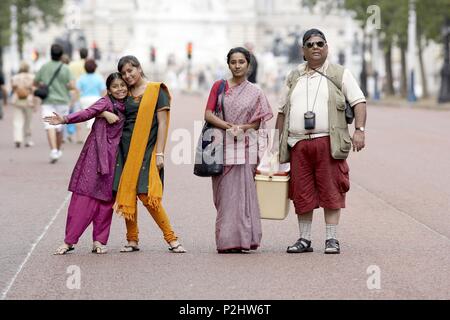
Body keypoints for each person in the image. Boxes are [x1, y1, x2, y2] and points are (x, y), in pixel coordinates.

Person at [275, 28, 367, 254]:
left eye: (320, 43)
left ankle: (331, 239)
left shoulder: (339, 73)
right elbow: (281, 111)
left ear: (326, 48)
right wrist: (275, 144)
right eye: (310, 44)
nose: (315, 47)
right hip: (297, 144)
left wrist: (360, 130)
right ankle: (304, 240)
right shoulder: (294, 76)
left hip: (328, 142)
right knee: (301, 192)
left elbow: (358, 101)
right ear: (303, 50)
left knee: (332, 189)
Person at [107, 55, 186, 253]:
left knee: (146, 193)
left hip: (148, 148)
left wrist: (160, 153)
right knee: (127, 191)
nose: (127, 75)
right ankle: (132, 240)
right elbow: (104, 106)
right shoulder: (123, 91)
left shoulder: (156, 90)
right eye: (124, 73)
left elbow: (163, 123)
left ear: (139, 68)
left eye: (130, 71)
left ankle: (171, 238)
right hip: (124, 148)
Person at [45, 73, 128, 255]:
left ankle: (99, 241)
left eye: (123, 85)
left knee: (106, 199)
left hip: (115, 158)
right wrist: (65, 119)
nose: (120, 89)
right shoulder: (104, 103)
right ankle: (69, 241)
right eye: (115, 86)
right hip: (95, 155)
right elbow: (87, 112)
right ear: (109, 90)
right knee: (83, 197)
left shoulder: (127, 104)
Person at [204, 47, 273, 253]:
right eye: (233, 62)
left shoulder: (256, 91)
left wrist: (241, 128)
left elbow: (258, 122)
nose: (237, 66)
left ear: (248, 64)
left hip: (246, 146)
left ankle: (244, 239)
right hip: (222, 146)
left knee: (244, 194)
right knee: (224, 195)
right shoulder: (219, 86)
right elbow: (208, 114)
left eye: (241, 62)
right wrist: (228, 127)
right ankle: (226, 240)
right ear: (228, 64)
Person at [35, 43, 75, 163]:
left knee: (49, 125)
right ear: (61, 55)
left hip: (48, 101)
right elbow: (72, 85)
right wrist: (66, 86)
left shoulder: (44, 67)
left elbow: (35, 82)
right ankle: (57, 149)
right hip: (63, 101)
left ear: (50, 54)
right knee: (59, 127)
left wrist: (42, 84)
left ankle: (53, 150)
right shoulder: (65, 68)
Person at [11, 61, 37, 148]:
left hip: (17, 100)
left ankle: (18, 139)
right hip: (28, 100)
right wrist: (35, 103)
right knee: (28, 121)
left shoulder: (15, 77)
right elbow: (34, 90)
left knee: (17, 120)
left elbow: (13, 88)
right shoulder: (32, 77)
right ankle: (27, 140)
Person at [77, 58, 106, 134]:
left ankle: (89, 136)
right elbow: (103, 90)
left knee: (88, 118)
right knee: (93, 120)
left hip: (84, 99)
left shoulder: (81, 77)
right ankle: (91, 138)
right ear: (95, 67)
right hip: (96, 99)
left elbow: (78, 89)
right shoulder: (99, 77)